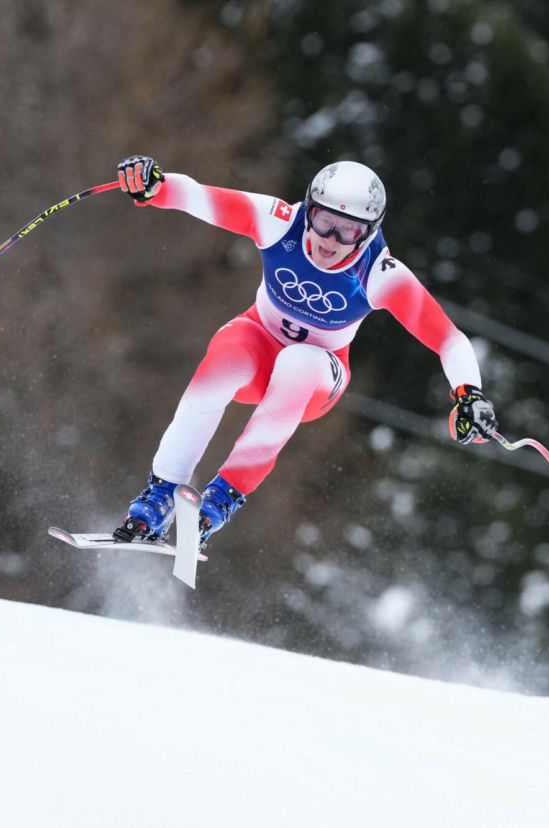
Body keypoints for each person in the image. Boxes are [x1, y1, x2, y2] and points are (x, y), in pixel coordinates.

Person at [112, 155, 499, 547]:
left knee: (298, 363)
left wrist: (470, 394)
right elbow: (198, 197)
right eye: (325, 222)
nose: (331, 240)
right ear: (309, 210)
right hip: (259, 346)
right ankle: (160, 494)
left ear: (368, 234)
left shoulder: (380, 273)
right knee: (224, 355)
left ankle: (220, 499)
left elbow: (449, 339)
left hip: (317, 376)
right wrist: (153, 185)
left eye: (349, 231)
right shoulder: (279, 221)